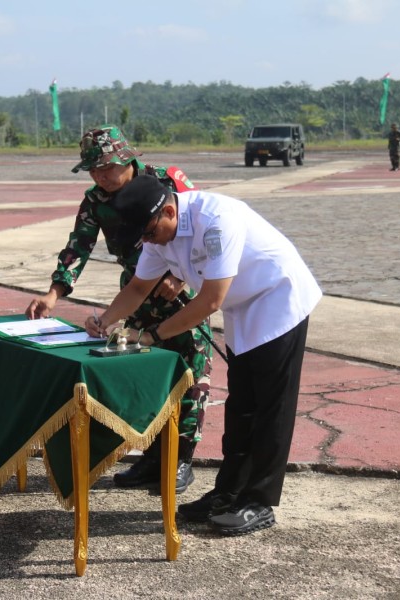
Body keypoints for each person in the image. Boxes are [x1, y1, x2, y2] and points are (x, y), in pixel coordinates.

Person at [85, 175, 322, 537]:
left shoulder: (215, 220)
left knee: (272, 406)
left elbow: (208, 301)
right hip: (243, 307)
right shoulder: (155, 230)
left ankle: (259, 501)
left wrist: (152, 334)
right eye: (143, 237)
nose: (147, 242)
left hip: (278, 297)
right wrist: (105, 320)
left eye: (149, 233)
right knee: (242, 405)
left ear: (168, 209)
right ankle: (226, 493)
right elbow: (137, 287)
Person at [25, 125, 213, 494]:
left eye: (106, 168)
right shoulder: (96, 200)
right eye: (93, 170)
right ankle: (153, 457)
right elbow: (78, 245)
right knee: (148, 378)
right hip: (136, 293)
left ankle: (181, 460)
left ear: (127, 159)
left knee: (191, 375)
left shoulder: (165, 181)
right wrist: (53, 293)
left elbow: (199, 229)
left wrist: (183, 277)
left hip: (179, 296)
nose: (100, 176)